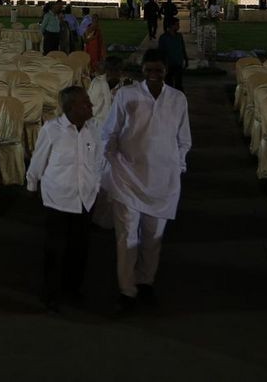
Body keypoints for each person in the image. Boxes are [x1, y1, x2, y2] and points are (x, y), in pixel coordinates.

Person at [103, 49, 191, 312]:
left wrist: (178, 166)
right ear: (141, 70)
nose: (154, 75)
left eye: (158, 71)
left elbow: (183, 139)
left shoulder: (177, 99)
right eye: (149, 70)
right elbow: (109, 133)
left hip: (162, 180)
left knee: (153, 237)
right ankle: (127, 290)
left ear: (166, 71)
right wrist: (108, 167)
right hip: (127, 176)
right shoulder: (126, 95)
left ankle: (146, 282)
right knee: (127, 237)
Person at [28, 85, 103, 311]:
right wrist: (32, 185)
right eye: (85, 102)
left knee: (79, 249)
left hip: (84, 199)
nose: (90, 105)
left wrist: (96, 186)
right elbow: (38, 160)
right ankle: (51, 292)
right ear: (71, 108)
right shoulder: (52, 130)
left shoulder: (94, 129)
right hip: (58, 199)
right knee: (55, 249)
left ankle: (73, 289)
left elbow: (98, 161)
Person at [88, 56, 127, 126]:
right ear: (108, 70)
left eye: (121, 70)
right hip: (98, 124)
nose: (121, 73)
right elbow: (91, 107)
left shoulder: (123, 84)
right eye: (117, 70)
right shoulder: (98, 83)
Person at [157, 18, 188, 90]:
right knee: (168, 85)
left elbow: (182, 48)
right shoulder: (163, 38)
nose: (178, 26)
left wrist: (186, 59)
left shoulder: (179, 36)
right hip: (168, 64)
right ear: (171, 26)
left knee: (179, 84)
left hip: (178, 63)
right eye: (177, 24)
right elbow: (161, 52)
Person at [82, 9, 104, 73]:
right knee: (90, 59)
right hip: (90, 46)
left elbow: (99, 39)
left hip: (95, 46)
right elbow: (85, 35)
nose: (94, 20)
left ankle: (93, 71)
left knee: (94, 59)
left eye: (95, 19)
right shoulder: (90, 27)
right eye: (93, 19)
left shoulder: (97, 28)